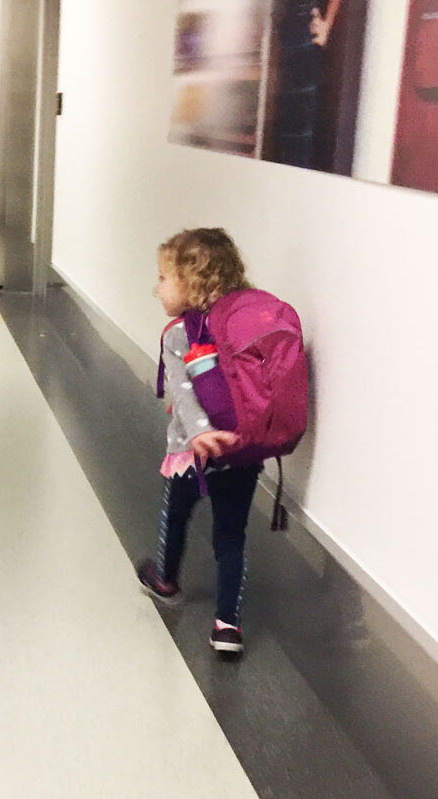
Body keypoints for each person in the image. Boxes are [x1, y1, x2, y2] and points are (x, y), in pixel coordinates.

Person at [136, 228, 259, 656]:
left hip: (194, 452)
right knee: (232, 536)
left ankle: (165, 580)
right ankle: (228, 625)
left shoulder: (177, 335)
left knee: (177, 515)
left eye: (164, 279)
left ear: (192, 283)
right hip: (242, 450)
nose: (158, 289)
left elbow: (183, 394)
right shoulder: (245, 325)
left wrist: (201, 434)